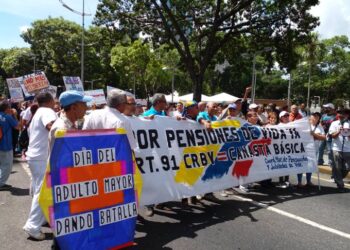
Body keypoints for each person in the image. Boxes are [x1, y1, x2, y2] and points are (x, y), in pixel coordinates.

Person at [49, 90, 91, 250]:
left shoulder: (71, 125)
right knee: (65, 224)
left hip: (72, 182)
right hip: (65, 183)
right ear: (74, 107)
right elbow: (61, 161)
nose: (86, 108)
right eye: (84, 105)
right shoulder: (60, 129)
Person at [23, 93, 57, 240]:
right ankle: (32, 225)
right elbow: (52, 127)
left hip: (35, 156)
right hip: (41, 157)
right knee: (43, 191)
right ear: (50, 101)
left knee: (39, 189)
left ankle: (41, 219)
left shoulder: (38, 112)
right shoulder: (47, 112)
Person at [297, 112, 326, 187]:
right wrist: (317, 136)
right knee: (301, 165)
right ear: (310, 117)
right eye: (313, 116)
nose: (314, 118)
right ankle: (299, 182)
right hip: (303, 149)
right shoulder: (305, 125)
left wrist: (314, 135)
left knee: (310, 165)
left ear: (319, 119)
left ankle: (308, 181)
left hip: (314, 150)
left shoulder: (320, 127)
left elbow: (323, 138)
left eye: (317, 117)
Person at [328, 109, 350, 192]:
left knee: (347, 168)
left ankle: (337, 177)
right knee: (337, 167)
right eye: (340, 114)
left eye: (343, 114)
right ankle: (340, 185)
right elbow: (332, 135)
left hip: (348, 149)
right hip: (336, 148)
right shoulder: (334, 123)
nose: (341, 115)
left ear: (347, 115)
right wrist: (339, 131)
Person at [0, 100, 20, 190]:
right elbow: (17, 126)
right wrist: (14, 115)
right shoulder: (8, 117)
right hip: (5, 145)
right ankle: (1, 183)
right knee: (7, 165)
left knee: (2, 165)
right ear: (7, 108)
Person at [278, 111, 291, 188]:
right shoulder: (279, 126)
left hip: (289, 148)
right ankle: (281, 181)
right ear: (281, 118)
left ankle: (286, 180)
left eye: (287, 115)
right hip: (280, 148)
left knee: (288, 165)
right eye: (284, 116)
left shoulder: (292, 125)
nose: (286, 117)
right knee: (281, 165)